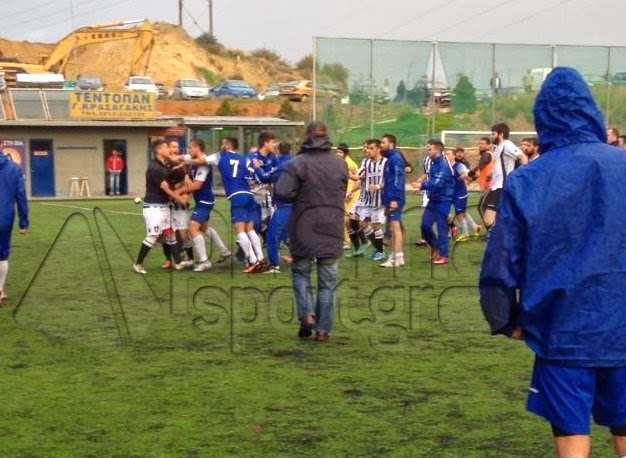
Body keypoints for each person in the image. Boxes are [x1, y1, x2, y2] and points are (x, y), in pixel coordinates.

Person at [480, 67, 626, 458]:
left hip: (562, 328)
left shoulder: (530, 179)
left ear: (544, 117)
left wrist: (504, 318)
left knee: (570, 435)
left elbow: (501, 260)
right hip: (619, 324)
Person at [275, 121, 347, 341]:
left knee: (301, 272)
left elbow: (282, 192)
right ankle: (323, 330)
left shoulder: (298, 163)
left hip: (304, 224)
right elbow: (343, 189)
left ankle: (307, 314)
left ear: (307, 137)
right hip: (332, 225)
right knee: (328, 282)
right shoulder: (339, 163)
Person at [133, 139, 193, 275]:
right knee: (153, 235)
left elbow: (175, 169)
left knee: (170, 234)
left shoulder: (162, 166)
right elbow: (168, 184)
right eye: (166, 148)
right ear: (159, 151)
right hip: (154, 207)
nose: (169, 150)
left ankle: (178, 262)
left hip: (163, 206)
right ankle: (138, 263)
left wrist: (185, 174)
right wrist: (184, 177)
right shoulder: (155, 168)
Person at [180, 138, 230, 272]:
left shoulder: (203, 164)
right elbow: (182, 162)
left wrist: (178, 191)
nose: (189, 150)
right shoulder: (195, 162)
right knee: (204, 227)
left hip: (205, 201)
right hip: (201, 201)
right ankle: (224, 251)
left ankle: (203, 261)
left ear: (197, 148)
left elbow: (197, 185)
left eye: (190, 147)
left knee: (192, 227)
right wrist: (185, 175)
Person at [253, 141, 294, 274]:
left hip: (285, 205)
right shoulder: (297, 162)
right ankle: (306, 257)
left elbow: (265, 178)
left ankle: (274, 266)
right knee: (289, 233)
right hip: (301, 205)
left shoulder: (282, 165)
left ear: (278, 151)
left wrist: (258, 167)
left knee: (272, 234)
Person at [412, 140, 454, 265]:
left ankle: (444, 255)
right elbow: (431, 180)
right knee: (424, 226)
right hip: (433, 199)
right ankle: (435, 247)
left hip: (444, 200)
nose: (427, 151)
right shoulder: (433, 163)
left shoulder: (443, 165)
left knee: (442, 228)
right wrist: (422, 186)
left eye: (429, 149)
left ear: (437, 150)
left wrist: (421, 186)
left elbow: (437, 183)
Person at [482, 123, 528, 231]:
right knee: (487, 212)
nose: (491, 136)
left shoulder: (507, 144)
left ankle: (500, 238)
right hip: (496, 187)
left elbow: (523, 157)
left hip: (502, 187)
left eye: (493, 134)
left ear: (501, 134)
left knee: (489, 220)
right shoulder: (499, 147)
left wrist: (519, 175)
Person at [0, 149, 29, 304]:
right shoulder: (14, 168)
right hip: (4, 218)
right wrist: (23, 221)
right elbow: (21, 195)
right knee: (2, 255)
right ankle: (0, 289)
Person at [354, 139, 388, 261]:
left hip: (380, 201)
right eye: (367, 148)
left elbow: (388, 180)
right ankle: (377, 247)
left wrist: (378, 186)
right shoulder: (365, 162)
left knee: (375, 226)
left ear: (379, 149)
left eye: (371, 148)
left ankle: (381, 251)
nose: (368, 150)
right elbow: (358, 175)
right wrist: (349, 174)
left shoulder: (385, 162)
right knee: (362, 224)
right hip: (367, 200)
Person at [379, 134, 406, 268]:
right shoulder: (389, 159)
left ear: (391, 144)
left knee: (395, 228)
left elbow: (398, 180)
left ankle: (396, 257)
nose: (381, 145)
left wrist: (394, 199)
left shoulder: (395, 158)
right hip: (390, 198)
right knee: (394, 228)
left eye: (383, 142)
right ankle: (397, 256)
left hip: (395, 199)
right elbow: (389, 181)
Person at [450, 147, 481, 242]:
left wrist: (465, 176)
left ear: (453, 156)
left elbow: (468, 173)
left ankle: (465, 234)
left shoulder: (459, 165)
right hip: (454, 193)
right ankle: (475, 227)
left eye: (448, 154)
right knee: (462, 213)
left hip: (460, 193)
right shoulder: (448, 166)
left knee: (459, 214)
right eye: (445, 154)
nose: (446, 155)